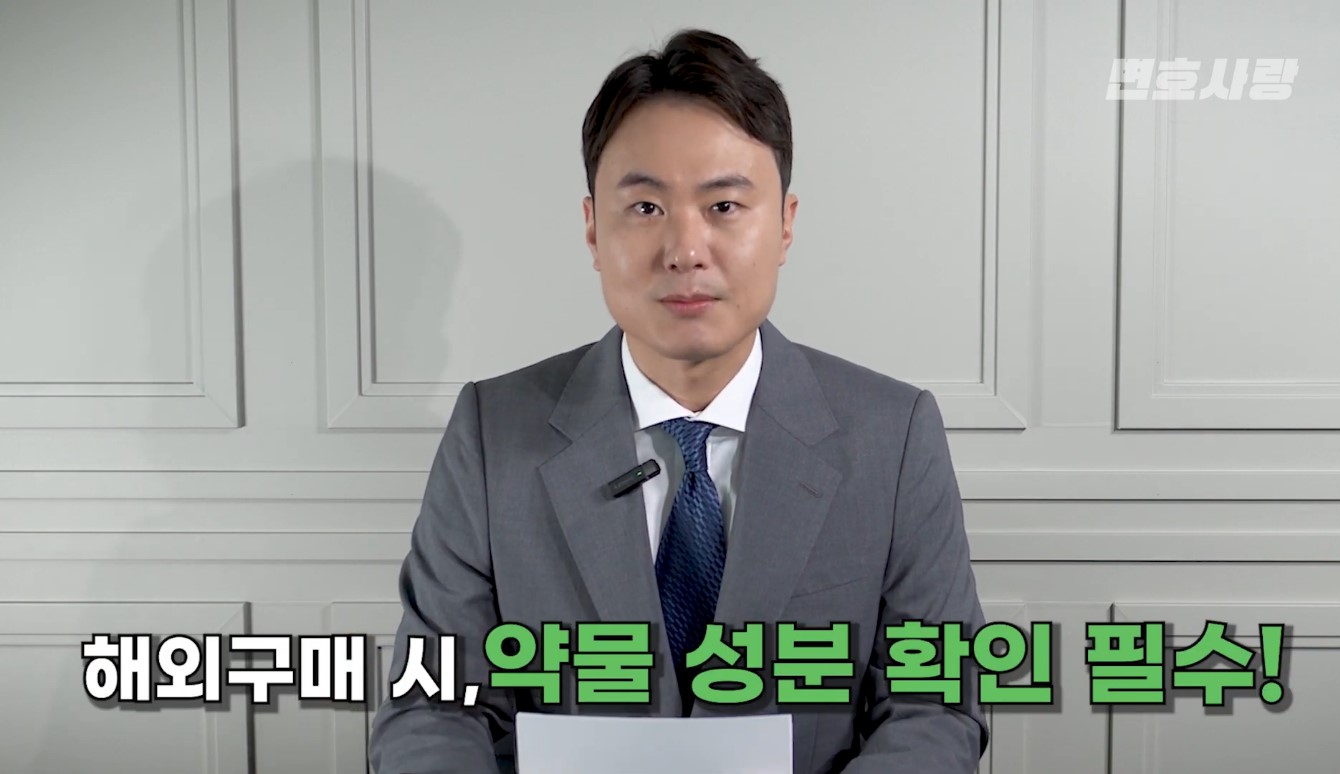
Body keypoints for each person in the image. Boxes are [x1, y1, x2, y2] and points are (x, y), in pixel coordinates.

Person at [369, 27, 988, 774]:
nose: (686, 250)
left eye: (724, 205)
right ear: (592, 229)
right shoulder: (491, 432)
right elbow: (432, 705)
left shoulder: (893, 435)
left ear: (785, 225)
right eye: (645, 208)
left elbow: (934, 704)